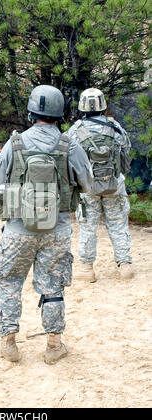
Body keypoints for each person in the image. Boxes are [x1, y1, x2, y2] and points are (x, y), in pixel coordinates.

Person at [0, 85, 93, 364]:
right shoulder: (70, 144)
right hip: (55, 228)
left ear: (32, 112)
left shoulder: (15, 143)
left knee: (9, 280)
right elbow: (88, 184)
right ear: (59, 114)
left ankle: (9, 343)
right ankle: (54, 346)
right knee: (52, 285)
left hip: (18, 227)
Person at [68, 88, 133, 282]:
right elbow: (126, 152)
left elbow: (68, 157)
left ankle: (87, 269)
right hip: (114, 184)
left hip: (88, 187)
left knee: (88, 227)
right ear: (103, 105)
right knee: (118, 223)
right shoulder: (115, 127)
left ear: (82, 106)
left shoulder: (76, 130)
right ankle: (125, 266)